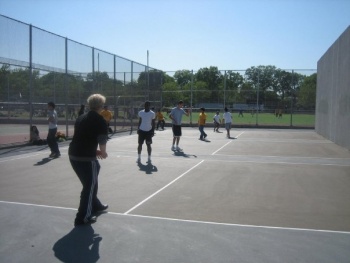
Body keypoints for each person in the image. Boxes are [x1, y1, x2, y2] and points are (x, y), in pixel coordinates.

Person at [68, 94, 109, 226]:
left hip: (74, 155)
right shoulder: (100, 120)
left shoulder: (81, 117)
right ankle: (82, 218)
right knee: (89, 186)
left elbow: (82, 137)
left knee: (94, 174)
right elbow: (102, 140)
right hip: (85, 158)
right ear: (101, 106)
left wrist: (94, 151)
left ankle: (95, 204)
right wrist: (103, 152)